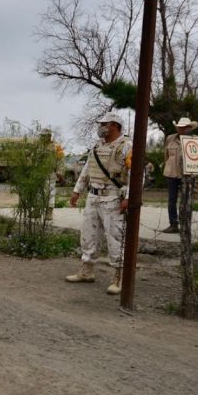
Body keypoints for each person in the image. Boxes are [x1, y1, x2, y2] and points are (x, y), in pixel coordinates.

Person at [66, 112, 132, 295]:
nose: (101, 127)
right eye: (101, 123)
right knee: (88, 234)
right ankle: (86, 270)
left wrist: (129, 198)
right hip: (93, 196)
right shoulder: (97, 146)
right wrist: (77, 190)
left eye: (105, 124)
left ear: (116, 126)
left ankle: (119, 275)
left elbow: (136, 173)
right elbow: (87, 168)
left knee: (115, 237)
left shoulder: (126, 146)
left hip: (112, 198)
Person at [161, 116, 198, 234]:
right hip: (171, 174)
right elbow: (166, 155)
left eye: (184, 127)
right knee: (171, 200)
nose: (182, 129)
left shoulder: (195, 140)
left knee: (186, 200)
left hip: (187, 176)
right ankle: (173, 224)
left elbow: (197, 159)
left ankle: (185, 225)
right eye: (180, 127)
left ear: (189, 128)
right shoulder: (170, 138)